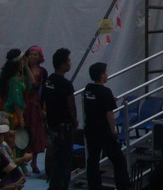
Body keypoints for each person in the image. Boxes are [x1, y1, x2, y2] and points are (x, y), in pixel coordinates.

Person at [83, 63, 130, 190]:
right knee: (119, 160)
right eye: (105, 72)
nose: (107, 74)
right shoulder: (105, 91)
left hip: (90, 128)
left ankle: (94, 186)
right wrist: (113, 130)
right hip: (103, 131)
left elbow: (95, 103)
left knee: (93, 160)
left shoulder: (88, 89)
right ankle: (123, 186)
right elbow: (109, 114)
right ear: (101, 75)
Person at [42, 49, 76, 190]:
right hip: (64, 127)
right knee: (64, 161)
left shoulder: (48, 81)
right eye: (68, 60)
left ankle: (55, 184)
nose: (70, 63)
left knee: (55, 157)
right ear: (62, 64)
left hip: (52, 126)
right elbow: (71, 106)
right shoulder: (66, 84)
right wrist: (74, 121)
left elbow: (43, 103)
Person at [20, 47, 46, 175]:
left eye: (36, 54)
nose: (33, 57)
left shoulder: (43, 71)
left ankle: (34, 161)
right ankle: (22, 161)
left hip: (36, 106)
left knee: (36, 134)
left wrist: (44, 107)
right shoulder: (22, 71)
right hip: (24, 105)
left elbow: (43, 90)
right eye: (31, 54)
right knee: (23, 133)